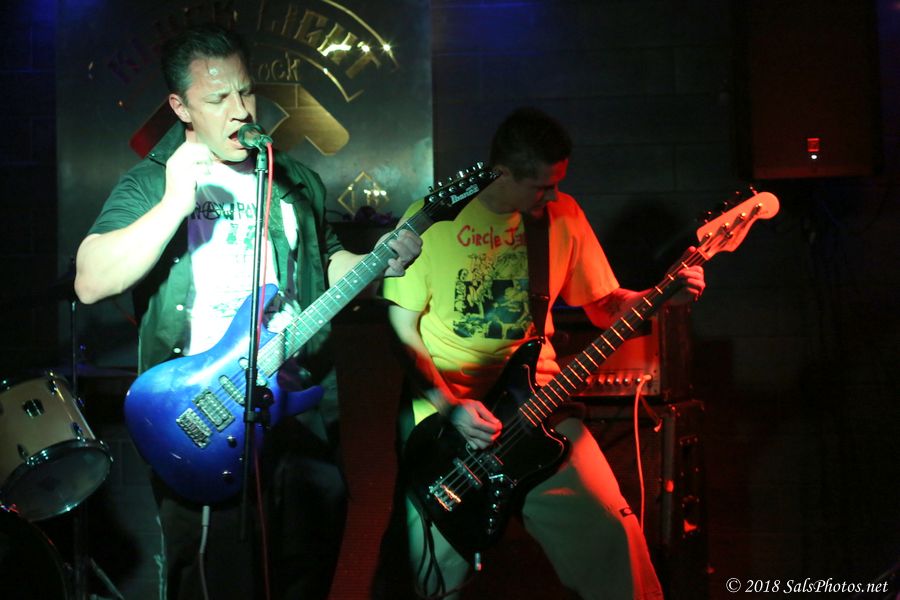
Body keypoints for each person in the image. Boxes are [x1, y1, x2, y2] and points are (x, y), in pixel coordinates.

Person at [74, 23, 421, 600]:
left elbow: (326, 261)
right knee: (216, 580)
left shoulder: (295, 180)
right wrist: (175, 202)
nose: (239, 110)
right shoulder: (153, 182)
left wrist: (376, 262)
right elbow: (90, 280)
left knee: (307, 572)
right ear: (180, 107)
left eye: (246, 91)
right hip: (207, 416)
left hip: (296, 409)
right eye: (217, 98)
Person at [381, 106, 705, 599]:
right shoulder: (433, 218)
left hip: (540, 407)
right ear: (502, 173)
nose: (553, 196)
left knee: (614, 537)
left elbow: (602, 305)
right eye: (541, 186)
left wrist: (656, 298)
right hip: (446, 422)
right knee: (433, 579)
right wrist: (450, 405)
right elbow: (402, 330)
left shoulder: (561, 217)